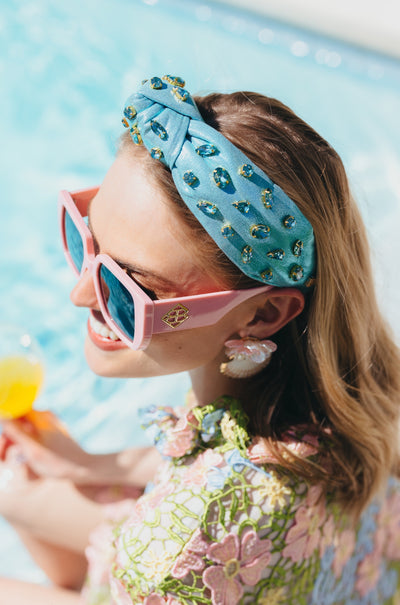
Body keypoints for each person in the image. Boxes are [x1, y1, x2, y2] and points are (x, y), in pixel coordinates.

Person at [0, 74, 399, 605]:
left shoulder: (174, 555)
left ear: (263, 315)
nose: (79, 294)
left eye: (130, 287)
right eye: (84, 234)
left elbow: (176, 556)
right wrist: (94, 465)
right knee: (16, 489)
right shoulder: (353, 397)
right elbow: (222, 461)